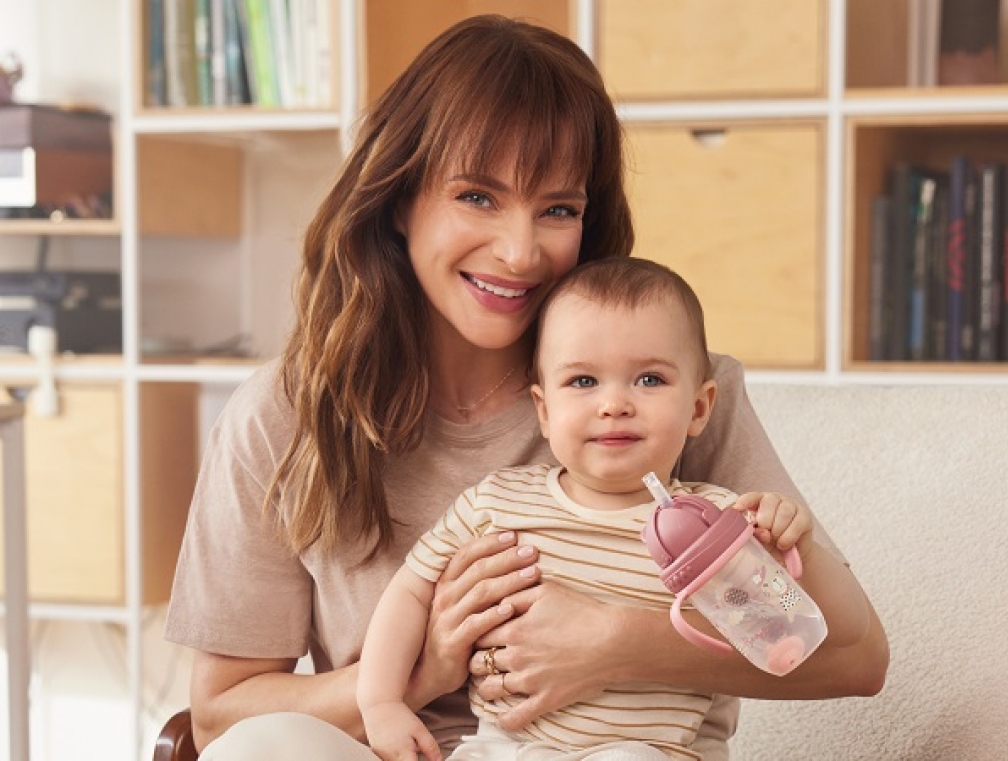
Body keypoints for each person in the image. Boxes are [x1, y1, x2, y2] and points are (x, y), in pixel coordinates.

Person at [163, 14, 888, 761]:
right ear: (400, 197)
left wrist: (615, 643)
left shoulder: (670, 396)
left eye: (558, 209)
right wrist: (424, 668)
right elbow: (219, 720)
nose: (518, 252)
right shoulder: (286, 415)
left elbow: (855, 657)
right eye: (477, 197)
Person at [357, 258, 873, 761]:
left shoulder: (720, 522)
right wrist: (381, 701)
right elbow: (410, 592)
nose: (614, 405)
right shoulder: (495, 501)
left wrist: (801, 549)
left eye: (649, 379)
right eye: (583, 381)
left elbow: (846, 633)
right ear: (544, 410)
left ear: (698, 408)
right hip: (504, 746)